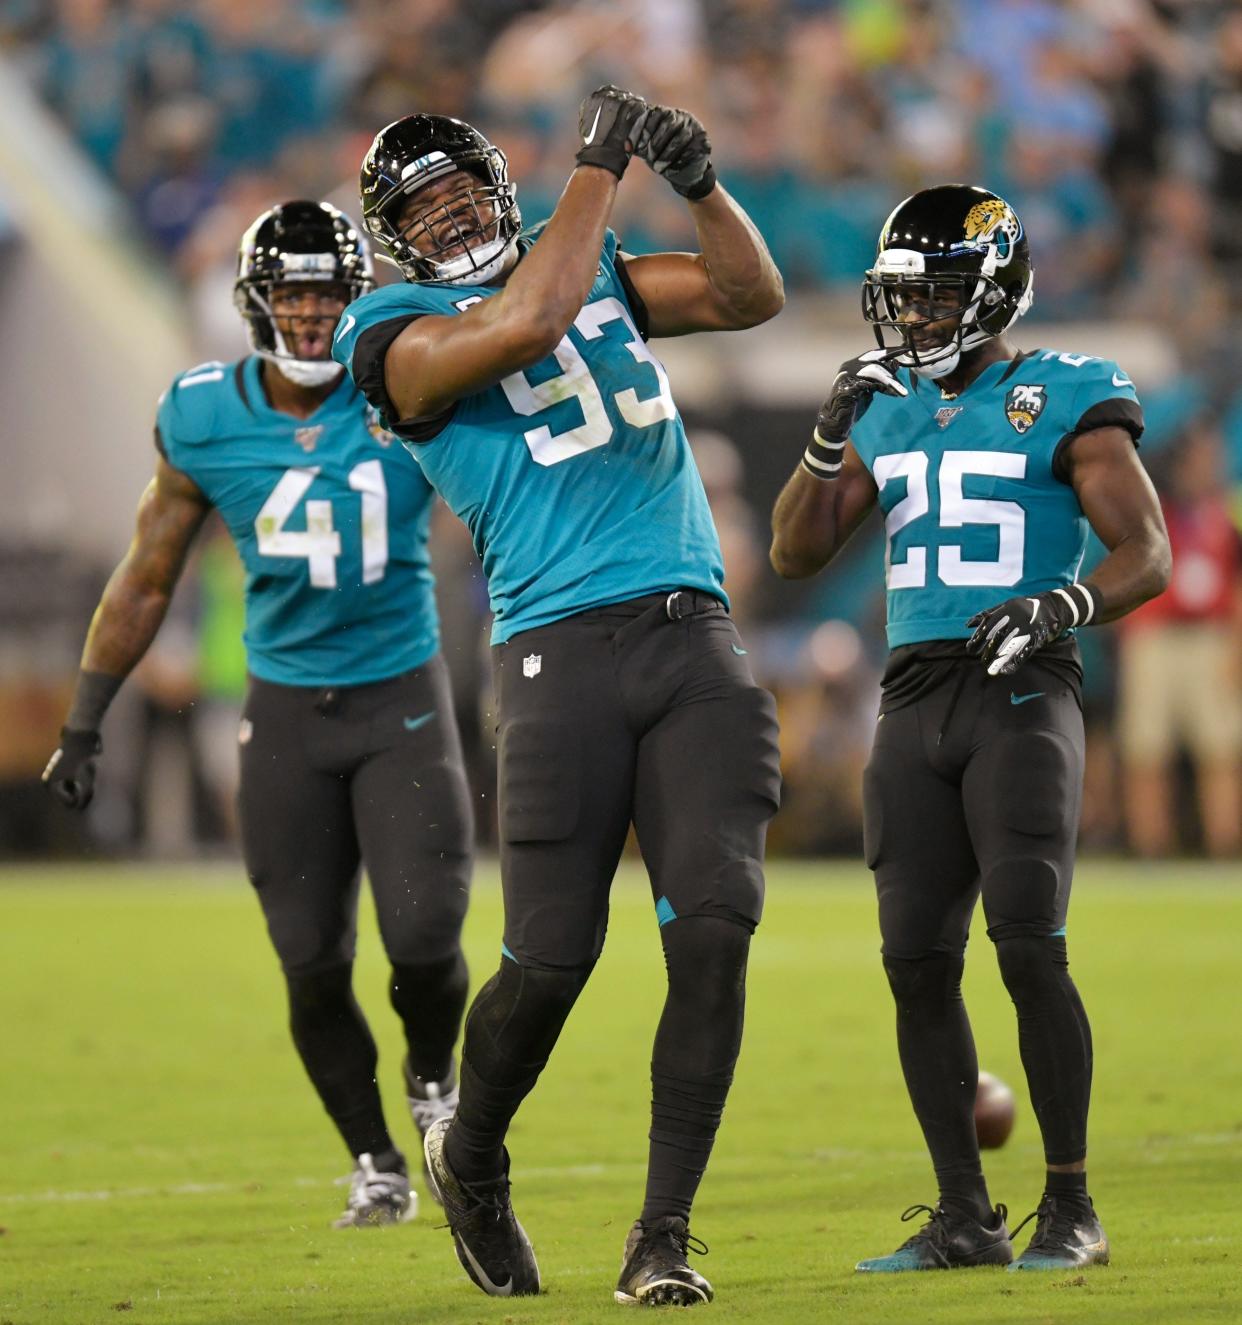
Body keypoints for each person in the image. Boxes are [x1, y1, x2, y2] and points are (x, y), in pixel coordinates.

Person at [332, 88, 784, 1305]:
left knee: (716, 930)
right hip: (557, 655)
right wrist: (601, 163)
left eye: (463, 188)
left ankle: (661, 1236)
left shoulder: (593, 262)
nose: (450, 212)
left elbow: (751, 296)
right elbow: (530, 323)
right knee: (551, 957)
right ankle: (469, 1155)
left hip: (693, 632)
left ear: (501, 186)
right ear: (390, 235)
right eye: (421, 205)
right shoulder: (385, 332)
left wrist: (698, 179)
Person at [43, 201, 474, 1229]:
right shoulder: (203, 414)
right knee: (311, 959)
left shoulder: (405, 389)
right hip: (286, 713)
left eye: (330, 291)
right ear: (258, 303)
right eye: (295, 292)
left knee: (424, 935)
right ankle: (375, 1157)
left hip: (399, 694)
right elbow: (147, 576)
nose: (316, 311)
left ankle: (431, 1075)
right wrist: (84, 717)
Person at [770, 185, 1170, 1273]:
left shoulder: (1065, 393)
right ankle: (962, 1212)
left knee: (1030, 944)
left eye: (940, 293)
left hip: (1023, 680)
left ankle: (1072, 1202)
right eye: (905, 296)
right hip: (913, 694)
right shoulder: (886, 405)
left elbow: (1148, 550)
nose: (918, 317)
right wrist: (822, 441)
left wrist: (1066, 601)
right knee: (913, 960)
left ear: (996, 291)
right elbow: (795, 555)